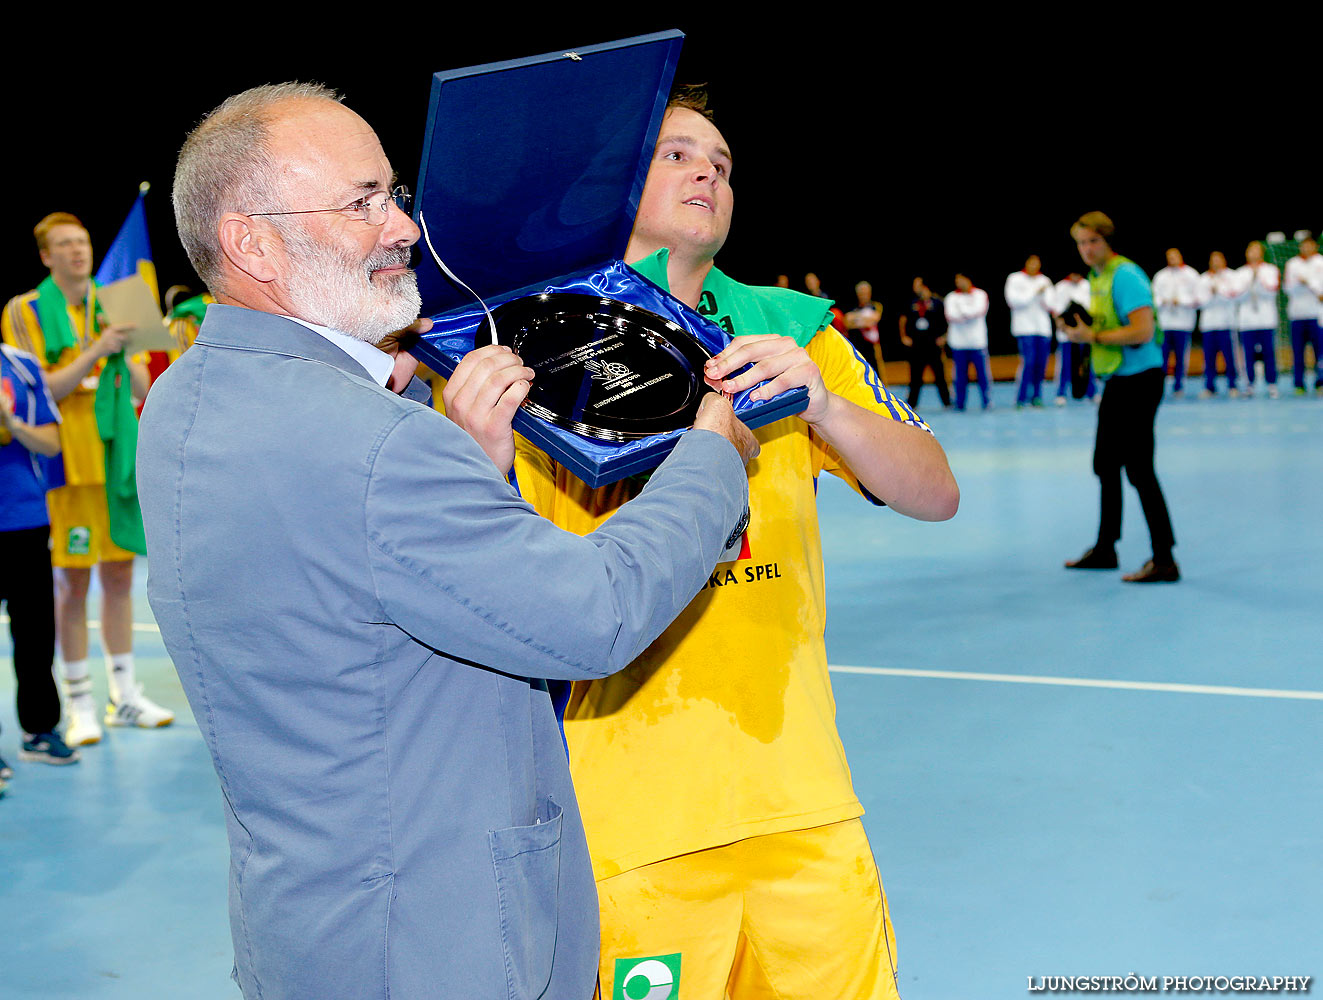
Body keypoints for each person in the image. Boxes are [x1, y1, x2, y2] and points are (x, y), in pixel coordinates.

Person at [137, 82, 759, 1000]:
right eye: (362, 203)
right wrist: (712, 457)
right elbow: (595, 611)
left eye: (394, 196)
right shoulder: (375, 444)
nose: (401, 229)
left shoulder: (189, 397)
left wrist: (450, 449)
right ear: (252, 243)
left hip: (307, 927)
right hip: (442, 940)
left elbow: (342, 574)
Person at [498, 85, 958, 1000]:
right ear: (608, 181)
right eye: (675, 152)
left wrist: (825, 404)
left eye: (721, 161)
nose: (706, 167)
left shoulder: (794, 333)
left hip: (803, 803)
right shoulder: (524, 344)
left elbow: (935, 491)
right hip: (627, 825)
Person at [1, 214, 170, 745]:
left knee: (120, 577)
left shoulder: (121, 297)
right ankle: (78, 702)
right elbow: (38, 388)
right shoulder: (22, 310)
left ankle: (124, 694)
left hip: (118, 458)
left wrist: (128, 349)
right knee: (72, 585)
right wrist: (97, 351)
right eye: (65, 245)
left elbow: (147, 383)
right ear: (46, 256)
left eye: (83, 242)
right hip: (64, 466)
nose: (78, 252)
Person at [1060, 212, 1178, 583]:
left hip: (1141, 380)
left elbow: (1142, 331)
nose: (1087, 249)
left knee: (1140, 469)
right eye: (1081, 242)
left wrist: (1090, 338)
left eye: (1093, 241)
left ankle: (1164, 559)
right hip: (1118, 380)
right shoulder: (1098, 277)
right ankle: (1105, 548)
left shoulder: (1126, 275)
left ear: (1108, 241)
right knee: (1106, 464)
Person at [1, 342, 80, 777]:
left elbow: (51, 442)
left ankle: (40, 730)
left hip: (24, 518)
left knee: (34, 631)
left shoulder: (21, 366)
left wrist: (10, 422)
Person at [1232, 241, 1280, 397]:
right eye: (1250, 250)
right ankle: (1249, 384)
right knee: (1248, 354)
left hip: (1266, 319)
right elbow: (1237, 295)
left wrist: (1257, 280)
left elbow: (1271, 291)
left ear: (1262, 252)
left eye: (1256, 250)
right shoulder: (1240, 272)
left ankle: (1272, 384)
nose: (1253, 253)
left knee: (1269, 353)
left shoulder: (1270, 270)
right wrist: (1249, 283)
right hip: (1247, 321)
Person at [1005, 254, 1054, 407]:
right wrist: (1034, 292)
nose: (1034, 265)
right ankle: (1021, 397)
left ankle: (1037, 396)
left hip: (1042, 329)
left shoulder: (1044, 280)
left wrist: (1043, 295)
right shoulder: (1015, 279)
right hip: (1024, 328)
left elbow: (1052, 303)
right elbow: (1014, 301)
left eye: (1037, 263)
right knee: (1029, 362)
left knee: (1041, 364)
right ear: (1026, 263)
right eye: (1031, 262)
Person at [1152, 248, 1200, 397]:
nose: (1172, 259)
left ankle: (1179, 386)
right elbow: (1153, 297)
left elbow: (1198, 298)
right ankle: (1159, 386)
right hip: (1165, 323)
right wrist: (1163, 302)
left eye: (1174, 256)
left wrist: (1181, 301)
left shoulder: (1191, 275)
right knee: (1161, 357)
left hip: (1183, 323)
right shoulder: (1160, 276)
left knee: (1181, 357)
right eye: (1169, 257)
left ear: (1180, 256)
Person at [899, 276, 951, 409]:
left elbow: (947, 321)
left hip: (933, 344)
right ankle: (912, 404)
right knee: (915, 377)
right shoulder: (912, 302)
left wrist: (945, 337)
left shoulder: (938, 302)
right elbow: (903, 320)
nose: (914, 288)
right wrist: (904, 336)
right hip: (917, 345)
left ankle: (947, 402)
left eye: (917, 285)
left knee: (940, 375)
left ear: (924, 286)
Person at [1197, 251, 1241, 398]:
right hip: (1208, 324)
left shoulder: (1231, 276)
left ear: (1224, 260)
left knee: (1230, 357)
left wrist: (1219, 292)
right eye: (1213, 259)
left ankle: (1233, 385)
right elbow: (1199, 300)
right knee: (1209, 358)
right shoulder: (1203, 278)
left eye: (1218, 259)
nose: (1215, 262)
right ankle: (1210, 387)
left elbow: (1234, 296)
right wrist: (1211, 294)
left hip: (1227, 324)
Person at [945, 273, 992, 410]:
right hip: (959, 344)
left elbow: (978, 312)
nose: (959, 282)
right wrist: (967, 313)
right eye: (957, 280)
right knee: (960, 377)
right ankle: (959, 403)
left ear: (968, 279)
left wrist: (962, 311)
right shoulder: (951, 297)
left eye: (962, 279)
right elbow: (951, 316)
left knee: (983, 375)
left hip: (977, 343)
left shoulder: (980, 295)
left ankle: (986, 401)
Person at [1282, 236, 1323, 394]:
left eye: (1309, 245)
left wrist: (1310, 283)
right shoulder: (1293, 264)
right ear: (1300, 247)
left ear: (1315, 246)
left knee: (1319, 351)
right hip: (1297, 315)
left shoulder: (1321, 262)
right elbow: (1288, 288)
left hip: (1317, 314)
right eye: (1303, 246)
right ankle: (1298, 384)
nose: (1306, 248)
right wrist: (1304, 284)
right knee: (1297, 351)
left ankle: (1320, 382)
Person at [1052, 272, 1095, 404]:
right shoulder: (1061, 287)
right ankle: (1061, 393)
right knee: (1065, 364)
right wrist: (1065, 328)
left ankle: (1091, 392)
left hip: (1084, 333)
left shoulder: (1087, 286)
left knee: (1087, 364)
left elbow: (1091, 310)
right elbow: (1056, 312)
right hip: (1067, 334)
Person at [844, 279, 885, 372]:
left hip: (871, 346)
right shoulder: (853, 307)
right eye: (861, 293)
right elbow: (847, 322)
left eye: (865, 292)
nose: (863, 295)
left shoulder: (876, 305)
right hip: (856, 344)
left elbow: (872, 321)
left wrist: (856, 319)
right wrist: (863, 317)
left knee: (875, 371)